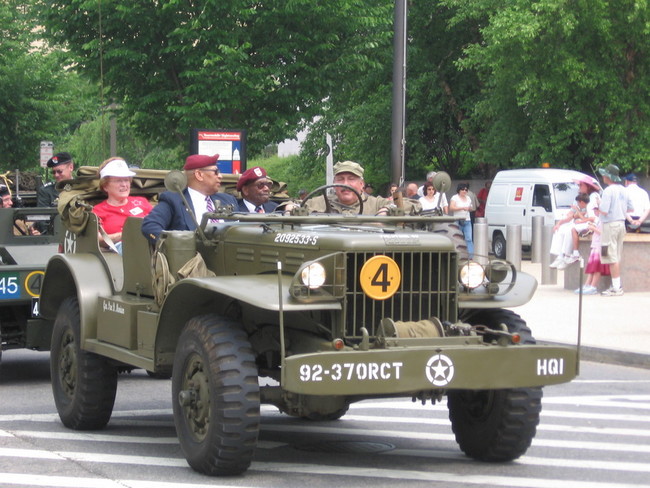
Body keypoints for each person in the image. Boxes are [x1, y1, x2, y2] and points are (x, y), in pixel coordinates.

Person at [142, 154, 238, 243]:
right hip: (194, 259)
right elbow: (150, 226)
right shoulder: (174, 200)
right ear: (199, 175)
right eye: (216, 172)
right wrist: (173, 245)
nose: (220, 176)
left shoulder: (228, 200)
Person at [92, 158, 153, 253]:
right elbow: (97, 239)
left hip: (152, 246)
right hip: (121, 253)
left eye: (126, 180)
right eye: (118, 181)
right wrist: (124, 235)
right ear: (105, 186)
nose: (124, 185)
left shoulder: (142, 202)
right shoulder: (98, 211)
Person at [303, 161, 398, 215]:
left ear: (362, 184)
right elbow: (295, 205)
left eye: (351, 179)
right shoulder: (318, 203)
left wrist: (387, 210)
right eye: (340, 179)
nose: (345, 184)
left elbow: (405, 205)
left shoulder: (376, 204)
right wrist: (289, 206)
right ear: (334, 184)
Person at [596, 164, 633, 296]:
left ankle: (616, 287)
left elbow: (604, 211)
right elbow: (630, 209)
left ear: (608, 176)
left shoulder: (608, 191)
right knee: (616, 255)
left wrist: (598, 204)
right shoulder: (624, 190)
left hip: (610, 225)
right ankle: (616, 285)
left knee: (611, 257)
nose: (603, 177)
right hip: (621, 224)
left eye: (604, 174)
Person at [549, 193, 590, 269]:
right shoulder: (580, 208)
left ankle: (567, 254)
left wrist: (577, 213)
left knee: (569, 231)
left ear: (581, 202)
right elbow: (571, 216)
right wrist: (559, 224)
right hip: (578, 222)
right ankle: (560, 255)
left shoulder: (589, 207)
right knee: (560, 230)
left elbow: (586, 218)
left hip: (586, 224)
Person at [574, 218, 610, 295]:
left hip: (601, 246)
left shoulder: (605, 221)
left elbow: (605, 234)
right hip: (595, 245)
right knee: (592, 267)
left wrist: (594, 228)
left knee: (597, 267)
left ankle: (593, 286)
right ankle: (587, 284)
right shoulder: (599, 220)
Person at [449, 183, 474, 257]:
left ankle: (471, 256)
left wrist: (469, 208)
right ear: (459, 190)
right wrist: (462, 208)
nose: (464, 191)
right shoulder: (455, 197)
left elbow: (471, 208)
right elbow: (451, 208)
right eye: (463, 189)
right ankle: (457, 255)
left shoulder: (468, 198)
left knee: (469, 238)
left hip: (467, 220)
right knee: (457, 238)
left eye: (466, 190)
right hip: (457, 220)